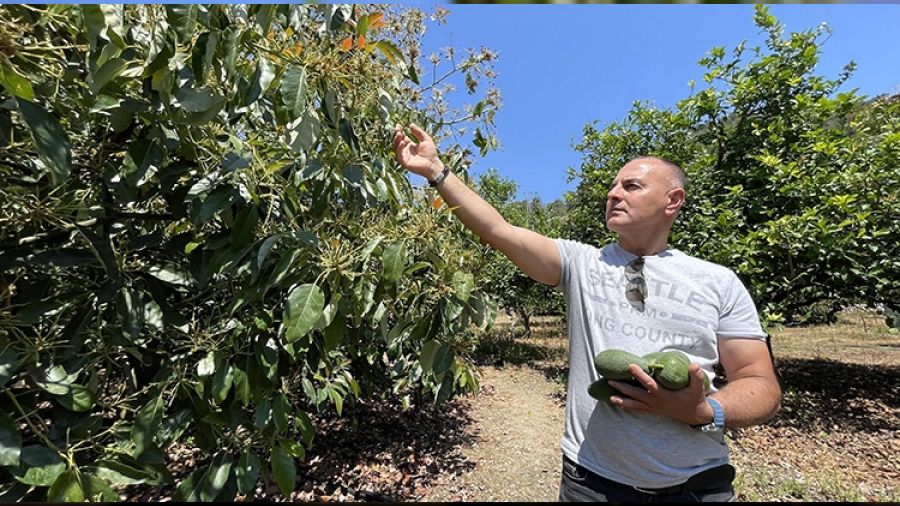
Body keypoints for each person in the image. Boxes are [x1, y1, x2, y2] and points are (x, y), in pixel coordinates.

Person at [392, 123, 782, 502]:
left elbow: (760, 384)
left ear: (672, 201)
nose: (613, 194)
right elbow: (498, 229)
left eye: (631, 186)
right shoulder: (581, 264)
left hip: (697, 486)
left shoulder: (718, 280)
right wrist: (435, 171)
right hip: (593, 483)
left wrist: (703, 410)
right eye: (613, 186)